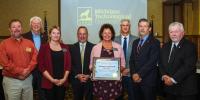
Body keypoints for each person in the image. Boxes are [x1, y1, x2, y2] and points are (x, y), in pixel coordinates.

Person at [0, 19, 38, 100]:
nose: (17, 29)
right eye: (14, 27)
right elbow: (5, 63)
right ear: (9, 29)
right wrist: (21, 71)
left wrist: (27, 70)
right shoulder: (4, 44)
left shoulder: (29, 43)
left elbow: (35, 58)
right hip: (11, 81)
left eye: (19, 26)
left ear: (22, 28)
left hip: (27, 80)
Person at [159, 22, 198, 100]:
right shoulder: (165, 46)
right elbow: (160, 63)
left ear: (183, 33)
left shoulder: (190, 46)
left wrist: (173, 80)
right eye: (171, 32)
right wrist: (163, 76)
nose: (173, 34)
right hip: (169, 89)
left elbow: (187, 67)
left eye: (176, 31)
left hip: (185, 90)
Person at [89, 23, 126, 100]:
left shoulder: (118, 47)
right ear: (101, 34)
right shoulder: (95, 48)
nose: (107, 35)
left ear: (112, 34)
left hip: (114, 81)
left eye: (109, 33)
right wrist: (96, 71)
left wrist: (118, 70)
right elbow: (91, 65)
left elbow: (123, 64)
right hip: (100, 82)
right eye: (105, 33)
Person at [129, 18, 160, 100]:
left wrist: (139, 74)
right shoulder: (135, 42)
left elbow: (152, 62)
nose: (142, 28)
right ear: (138, 28)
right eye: (140, 26)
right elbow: (132, 60)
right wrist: (133, 74)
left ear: (149, 29)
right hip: (135, 80)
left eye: (145, 26)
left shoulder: (155, 42)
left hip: (148, 81)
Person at [38, 26, 71, 100]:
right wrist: (52, 79)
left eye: (58, 33)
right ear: (50, 34)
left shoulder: (65, 47)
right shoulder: (44, 47)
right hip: (49, 81)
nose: (56, 35)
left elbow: (68, 64)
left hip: (62, 82)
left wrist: (64, 79)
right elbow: (41, 66)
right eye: (53, 33)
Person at [23, 16, 47, 100]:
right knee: (28, 93)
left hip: (41, 69)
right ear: (30, 25)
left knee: (42, 93)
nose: (36, 25)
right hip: (29, 70)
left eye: (38, 23)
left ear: (41, 25)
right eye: (34, 23)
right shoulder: (24, 37)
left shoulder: (45, 36)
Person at [115, 19, 137, 100]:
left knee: (132, 96)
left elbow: (138, 58)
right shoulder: (114, 39)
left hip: (131, 74)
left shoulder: (136, 40)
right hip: (118, 75)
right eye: (123, 25)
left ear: (129, 27)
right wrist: (120, 70)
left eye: (127, 25)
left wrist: (129, 69)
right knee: (118, 97)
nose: (125, 27)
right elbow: (112, 57)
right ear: (120, 27)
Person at [70, 26, 94, 100]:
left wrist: (89, 75)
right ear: (77, 35)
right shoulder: (71, 47)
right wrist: (78, 75)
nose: (82, 36)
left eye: (84, 34)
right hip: (76, 80)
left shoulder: (93, 47)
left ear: (87, 35)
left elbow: (95, 63)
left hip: (89, 80)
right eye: (80, 34)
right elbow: (70, 64)